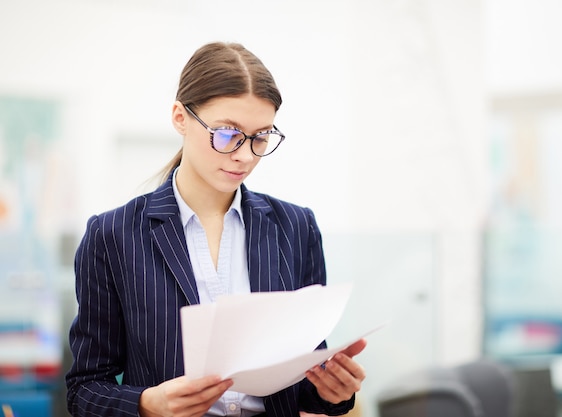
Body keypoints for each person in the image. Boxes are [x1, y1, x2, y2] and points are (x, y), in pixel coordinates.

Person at [65, 41, 367, 417]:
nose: (244, 155)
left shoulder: (296, 227)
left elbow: (303, 382)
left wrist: (332, 392)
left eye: (260, 137)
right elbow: (84, 390)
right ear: (180, 117)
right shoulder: (112, 236)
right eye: (227, 134)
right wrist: (147, 404)